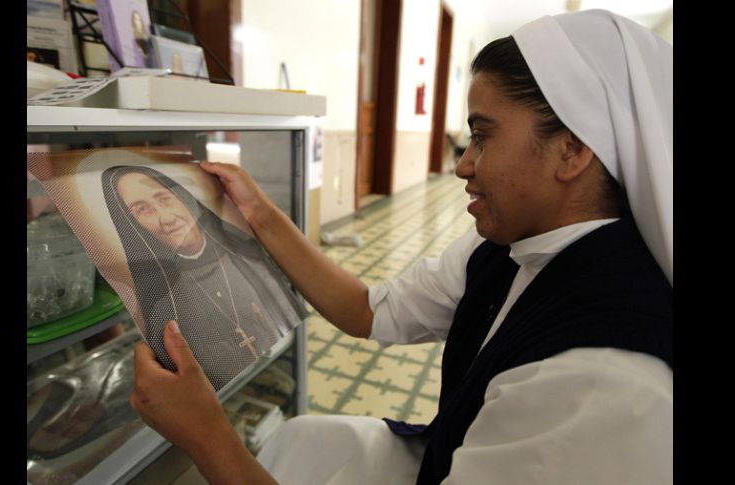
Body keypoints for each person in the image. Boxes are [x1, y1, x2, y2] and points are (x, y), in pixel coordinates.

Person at [129, 9, 672, 485]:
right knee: (308, 440)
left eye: (482, 137)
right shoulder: (508, 251)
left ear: (571, 150)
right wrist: (258, 212)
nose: (462, 164)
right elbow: (366, 309)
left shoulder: (596, 387)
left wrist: (204, 434)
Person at [102, 165, 306, 391]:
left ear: (185, 197)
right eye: (142, 210)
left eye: (165, 198)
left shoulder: (251, 260)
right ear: (132, 225)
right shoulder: (162, 309)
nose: (166, 219)